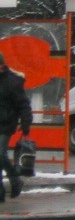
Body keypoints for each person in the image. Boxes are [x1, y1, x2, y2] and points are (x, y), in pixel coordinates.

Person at [0, 51, 32, 202]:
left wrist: (26, 125)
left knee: (0, 154)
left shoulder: (12, 82)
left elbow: (24, 105)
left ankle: (15, 179)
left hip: (6, 124)